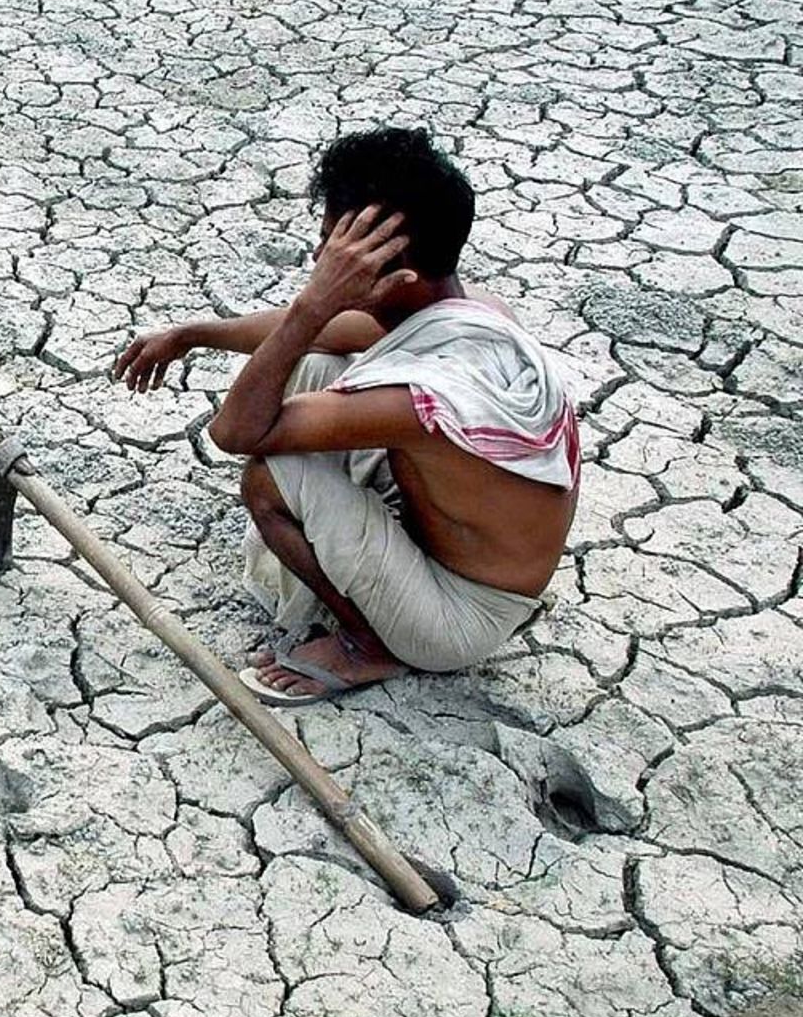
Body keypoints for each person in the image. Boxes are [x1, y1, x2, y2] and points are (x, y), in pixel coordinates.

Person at [112, 127, 578, 704]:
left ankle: (367, 647)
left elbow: (234, 432)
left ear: (394, 269)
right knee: (316, 365)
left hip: (458, 617)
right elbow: (323, 335)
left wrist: (316, 300)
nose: (319, 258)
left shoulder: (422, 398)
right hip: (456, 549)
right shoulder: (462, 309)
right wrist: (191, 335)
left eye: (334, 247)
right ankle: (369, 594)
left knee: (270, 478)